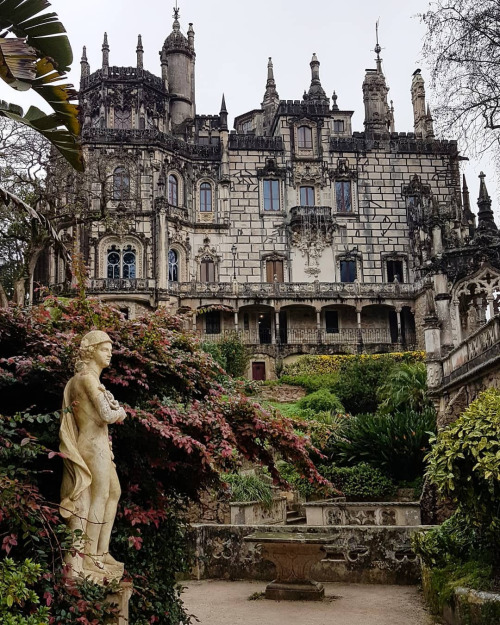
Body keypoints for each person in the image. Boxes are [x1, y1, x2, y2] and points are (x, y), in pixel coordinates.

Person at [59, 330, 126, 581]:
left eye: (110, 348)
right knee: (99, 496)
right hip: (91, 444)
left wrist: (113, 409)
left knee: (114, 492)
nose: (110, 353)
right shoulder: (86, 378)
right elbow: (107, 416)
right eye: (104, 348)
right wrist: (120, 411)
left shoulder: (91, 379)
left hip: (99, 444)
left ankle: (101, 550)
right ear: (90, 351)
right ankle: (90, 556)